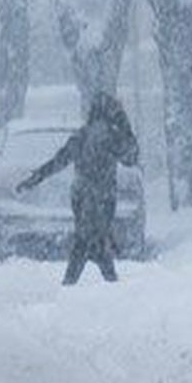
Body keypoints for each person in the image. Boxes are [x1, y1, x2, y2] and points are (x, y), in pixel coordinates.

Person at [15, 93, 139, 285]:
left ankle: (89, 281)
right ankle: (89, 283)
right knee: (90, 240)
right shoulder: (113, 136)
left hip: (81, 196)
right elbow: (131, 158)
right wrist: (125, 126)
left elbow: (59, 161)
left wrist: (35, 178)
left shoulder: (81, 135)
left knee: (89, 239)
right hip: (104, 198)